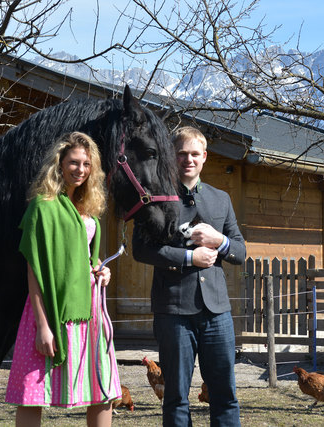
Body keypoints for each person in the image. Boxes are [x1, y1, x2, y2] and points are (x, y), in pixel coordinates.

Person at [5, 131, 120, 427]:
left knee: (103, 387)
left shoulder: (88, 210)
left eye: (85, 164)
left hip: (89, 309)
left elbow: (85, 260)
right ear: (59, 163)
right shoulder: (43, 207)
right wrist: (43, 326)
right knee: (34, 391)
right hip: (52, 309)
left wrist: (99, 270)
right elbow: (35, 269)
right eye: (73, 162)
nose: (79, 169)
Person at [133, 126, 246, 426]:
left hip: (218, 312)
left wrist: (218, 241)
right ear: (172, 156)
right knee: (175, 397)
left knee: (224, 395)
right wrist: (187, 257)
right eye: (181, 154)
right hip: (174, 312)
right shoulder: (155, 198)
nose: (188, 160)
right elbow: (141, 249)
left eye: (195, 154)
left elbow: (240, 251)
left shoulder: (220, 199)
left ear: (205, 157)